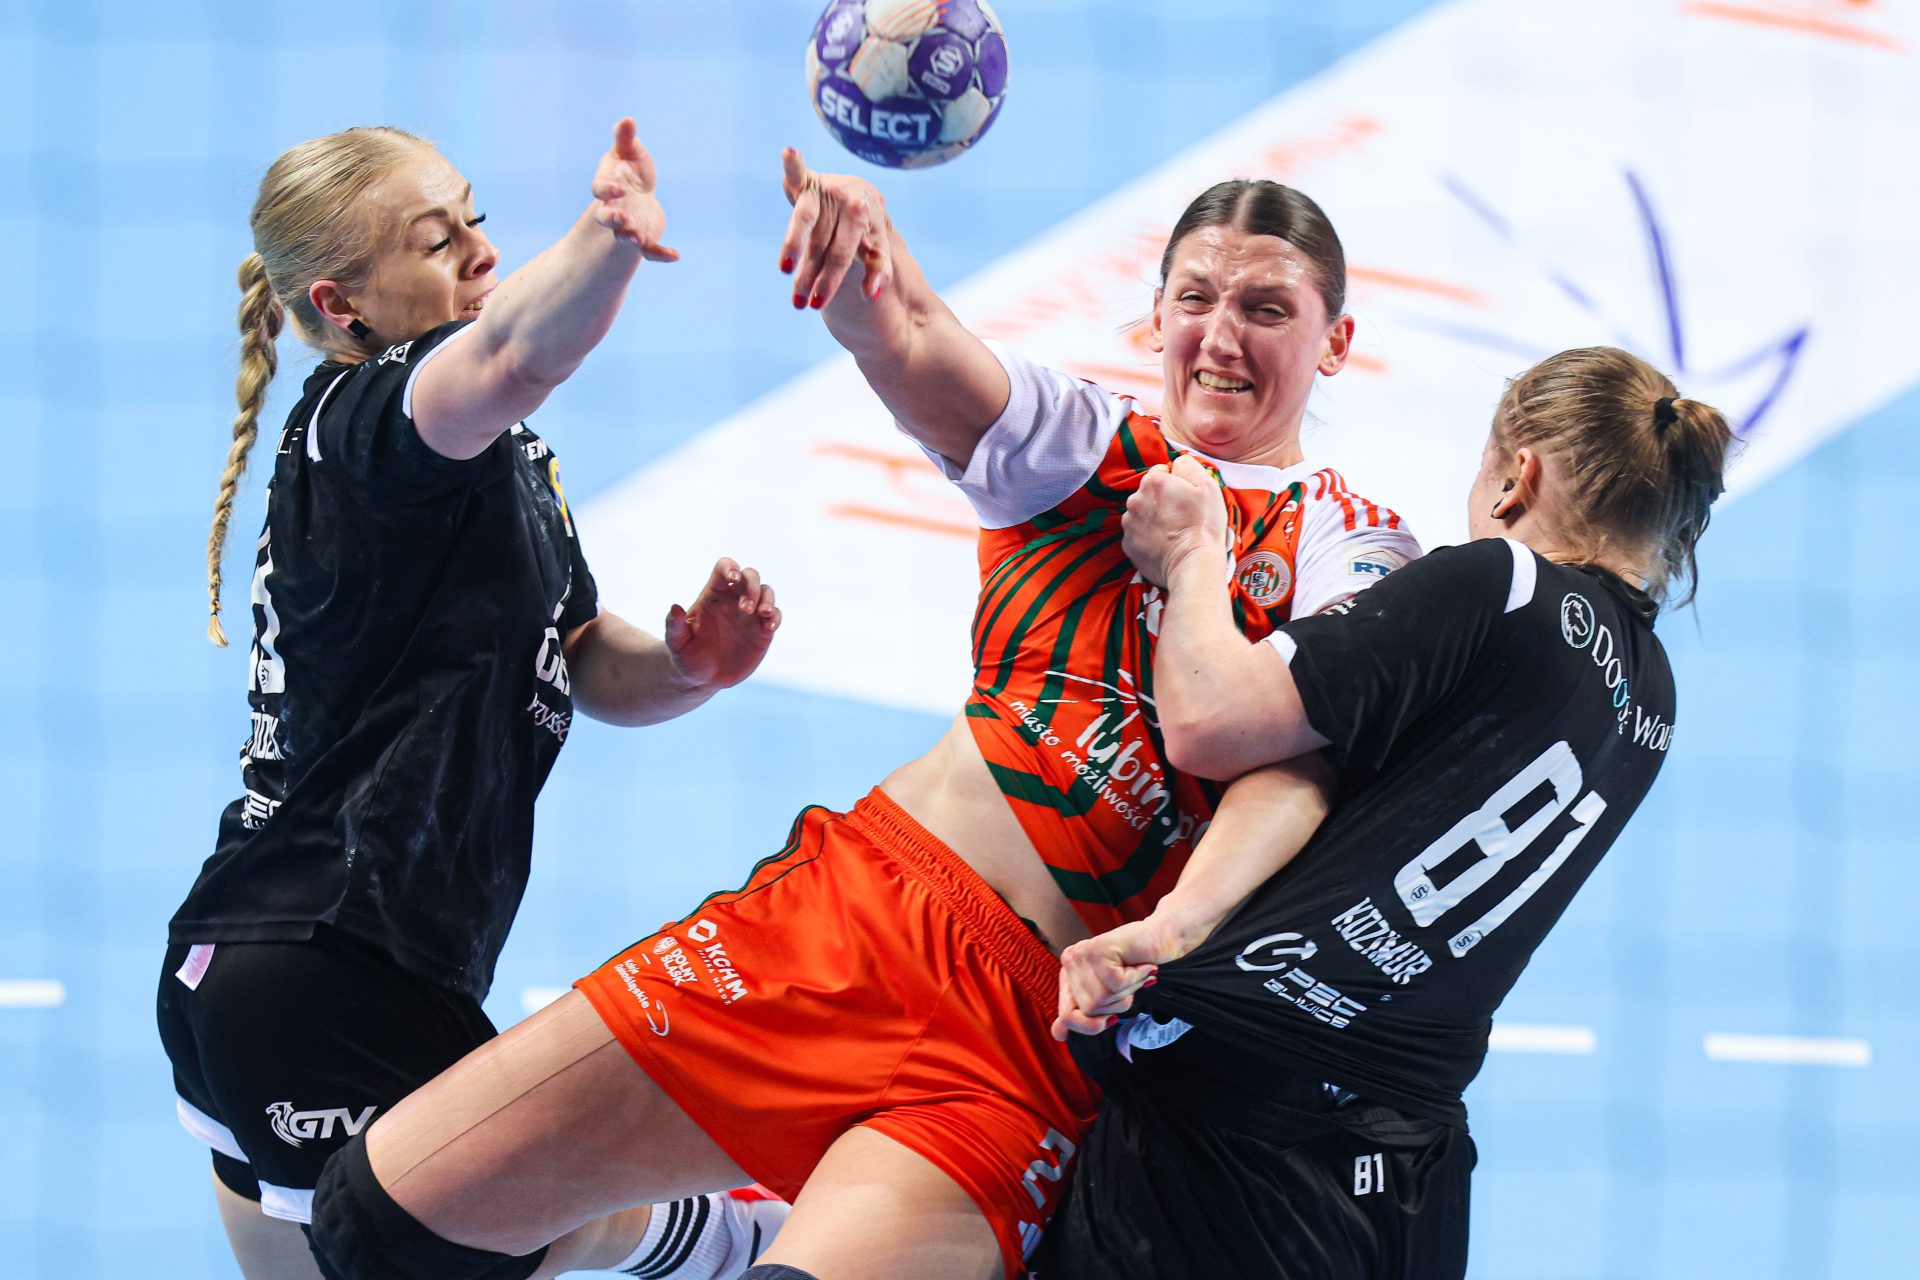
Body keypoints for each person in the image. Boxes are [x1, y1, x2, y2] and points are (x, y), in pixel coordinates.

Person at [305, 155, 1420, 1280]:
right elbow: (915, 340)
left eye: (1266, 309)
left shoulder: (1357, 547)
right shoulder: (1091, 448)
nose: (1221, 336)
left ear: (1334, 341)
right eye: (1195, 299)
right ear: (1155, 318)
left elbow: (1257, 747)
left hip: (1030, 1044)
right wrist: (859, 273)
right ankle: (711, 1230)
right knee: (376, 1221)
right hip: (853, 922)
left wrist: (1195, 554)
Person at [156, 119, 788, 1280]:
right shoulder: (368, 425)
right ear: (343, 305)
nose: (482, 251)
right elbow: (507, 355)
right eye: (437, 240)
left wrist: (689, 666)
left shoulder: (494, 461)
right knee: (521, 1221)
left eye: (476, 220)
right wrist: (607, 238)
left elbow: (577, 655)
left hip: (252, 960)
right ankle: (748, 1232)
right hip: (335, 970)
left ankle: (734, 1230)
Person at [1041, 347, 1734, 1278]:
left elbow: (1212, 722)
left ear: (1519, 475)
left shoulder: (1499, 584)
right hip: (1409, 1169)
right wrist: (1176, 927)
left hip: (1238, 1121)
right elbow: (1322, 774)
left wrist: (1191, 555)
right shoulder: (1652, 699)